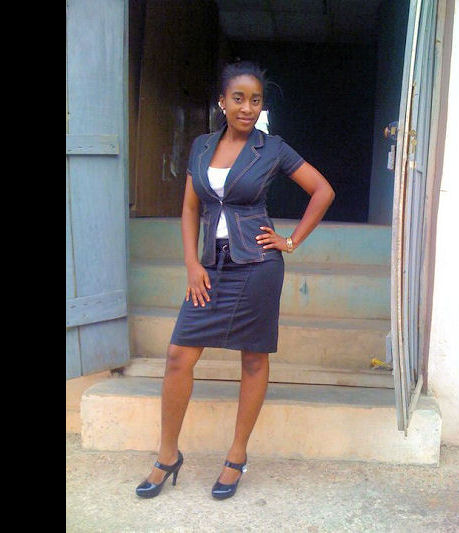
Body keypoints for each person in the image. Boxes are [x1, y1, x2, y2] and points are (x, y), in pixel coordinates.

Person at [136, 60, 335, 500]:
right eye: (239, 98)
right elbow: (190, 207)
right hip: (210, 267)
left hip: (258, 267)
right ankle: (167, 455)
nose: (247, 107)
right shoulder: (202, 146)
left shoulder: (272, 148)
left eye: (256, 100)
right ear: (222, 102)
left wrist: (290, 241)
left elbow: (323, 191)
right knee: (178, 356)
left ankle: (236, 455)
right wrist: (192, 264)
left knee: (253, 360)